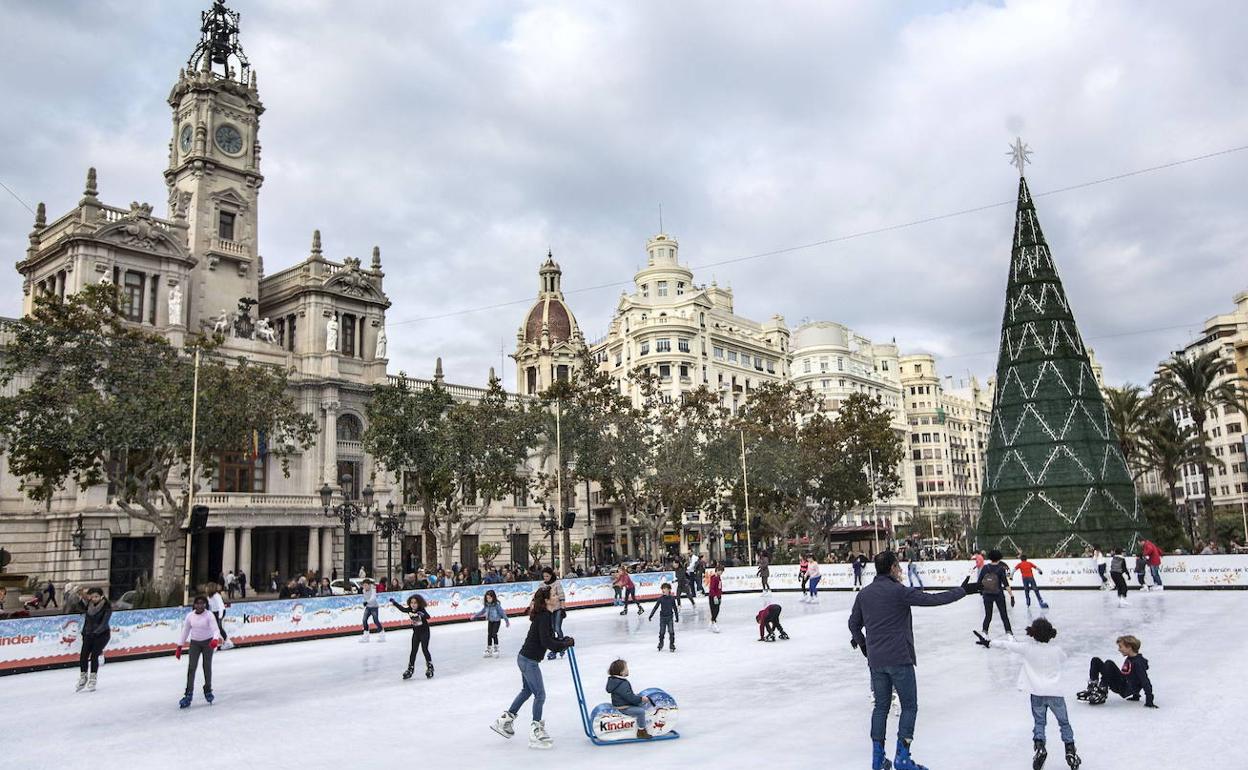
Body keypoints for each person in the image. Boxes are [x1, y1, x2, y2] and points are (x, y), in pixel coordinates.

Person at [848, 550, 978, 770]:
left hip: (876, 661)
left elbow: (853, 624)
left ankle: (877, 759)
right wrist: (963, 591)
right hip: (899, 658)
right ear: (891, 568)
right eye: (898, 566)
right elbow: (933, 599)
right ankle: (902, 757)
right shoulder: (899, 591)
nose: (900, 570)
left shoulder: (864, 594)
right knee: (909, 706)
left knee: (880, 707)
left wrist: (864, 646)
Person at [974, 618, 1081, 769]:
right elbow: (1063, 659)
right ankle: (1070, 750)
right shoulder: (1056, 651)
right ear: (1050, 633)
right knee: (1063, 722)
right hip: (1055, 693)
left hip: (1036, 693)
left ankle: (1040, 747)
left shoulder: (1027, 648)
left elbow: (1007, 645)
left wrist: (989, 643)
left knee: (1039, 723)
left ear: (1033, 633)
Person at [491, 585, 575, 749]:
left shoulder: (546, 615)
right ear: (546, 600)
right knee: (540, 694)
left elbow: (548, 638)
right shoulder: (544, 616)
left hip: (525, 658)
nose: (556, 596)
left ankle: (504, 721)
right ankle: (536, 731)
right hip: (528, 660)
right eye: (553, 595)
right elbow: (547, 642)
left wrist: (563, 641)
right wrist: (563, 644)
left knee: (527, 691)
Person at [1077, 635, 1155, 709]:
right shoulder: (1131, 658)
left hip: (1125, 688)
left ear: (1129, 647)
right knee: (1095, 660)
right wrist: (1136, 696)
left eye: (1121, 647)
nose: (1119, 649)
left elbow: (1144, 680)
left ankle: (1102, 691)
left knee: (1109, 663)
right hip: (1122, 683)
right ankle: (1092, 688)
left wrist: (1149, 700)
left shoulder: (1138, 662)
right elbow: (1132, 676)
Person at [176, 595, 221, 708]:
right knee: (191, 668)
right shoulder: (190, 616)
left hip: (208, 643)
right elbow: (185, 631)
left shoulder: (209, 615)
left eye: (202, 603)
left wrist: (215, 640)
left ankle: (208, 689)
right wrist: (179, 646)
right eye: (198, 603)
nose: (200, 605)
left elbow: (216, 629)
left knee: (207, 666)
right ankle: (188, 694)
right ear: (194, 605)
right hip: (195, 643)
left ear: (205, 604)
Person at [606, 659, 654, 739]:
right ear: (621, 672)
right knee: (641, 711)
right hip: (623, 708)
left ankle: (643, 721)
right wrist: (641, 699)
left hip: (622, 704)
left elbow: (627, 695)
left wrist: (638, 698)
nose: (628, 670)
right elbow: (629, 697)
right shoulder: (622, 683)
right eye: (626, 668)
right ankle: (641, 731)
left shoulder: (614, 681)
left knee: (640, 703)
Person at [75, 587, 111, 692]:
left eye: (96, 596)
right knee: (83, 655)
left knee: (94, 656)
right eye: (92, 596)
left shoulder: (106, 607)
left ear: (101, 596)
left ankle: (93, 678)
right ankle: (83, 676)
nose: (94, 598)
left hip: (101, 635)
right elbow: (78, 607)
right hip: (88, 634)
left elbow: (104, 623)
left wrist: (96, 632)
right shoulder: (88, 605)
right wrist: (80, 596)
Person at [389, 594, 433, 679]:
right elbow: (402, 609)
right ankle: (410, 669)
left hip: (425, 632)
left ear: (419, 603)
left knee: (424, 649)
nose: (413, 604)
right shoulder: (409, 609)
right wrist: (394, 603)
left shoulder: (421, 609)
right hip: (416, 633)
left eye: (415, 603)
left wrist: (422, 614)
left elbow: (428, 617)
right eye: (412, 602)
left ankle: (430, 667)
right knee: (413, 651)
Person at [979, 549, 1014, 636]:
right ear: (999, 558)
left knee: (988, 616)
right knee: (1004, 615)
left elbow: (979, 582)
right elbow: (1006, 584)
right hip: (999, 595)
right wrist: (1011, 595)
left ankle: (984, 634)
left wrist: (982, 592)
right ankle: (1009, 634)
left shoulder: (985, 568)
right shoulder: (1001, 569)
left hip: (987, 595)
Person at [473, 589, 510, 658]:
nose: (488, 599)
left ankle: (496, 648)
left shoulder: (496, 605)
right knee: (489, 635)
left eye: (489, 598)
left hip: (497, 621)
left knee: (494, 634)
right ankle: (489, 649)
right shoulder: (487, 605)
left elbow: (502, 613)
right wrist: (475, 616)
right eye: (487, 598)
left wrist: (507, 621)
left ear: (493, 597)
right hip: (490, 621)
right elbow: (482, 611)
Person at [541, 567, 567, 660]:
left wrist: (563, 608)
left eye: (547, 576)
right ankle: (554, 649)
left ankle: (562, 646)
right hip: (548, 610)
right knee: (551, 630)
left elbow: (562, 596)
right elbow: (539, 597)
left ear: (551, 575)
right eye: (544, 576)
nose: (545, 578)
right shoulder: (542, 585)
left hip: (558, 609)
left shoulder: (557, 583)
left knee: (557, 628)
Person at [648, 582, 680, 652]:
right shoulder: (660, 598)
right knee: (662, 632)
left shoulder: (672, 598)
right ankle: (661, 643)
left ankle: (672, 644)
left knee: (671, 631)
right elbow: (655, 607)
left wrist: (677, 617)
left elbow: (675, 608)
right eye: (663, 589)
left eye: (665, 589)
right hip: (662, 618)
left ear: (669, 590)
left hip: (670, 617)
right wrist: (651, 615)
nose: (664, 590)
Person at [206, 582, 233, 650]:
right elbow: (210, 606)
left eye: (207, 587)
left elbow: (221, 606)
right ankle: (216, 643)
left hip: (220, 612)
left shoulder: (216, 595)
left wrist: (220, 617)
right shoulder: (209, 596)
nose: (206, 588)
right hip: (214, 612)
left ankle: (227, 641)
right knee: (213, 628)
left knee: (218, 627)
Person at [708, 565, 724, 632]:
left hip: (718, 596)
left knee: (717, 610)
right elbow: (711, 588)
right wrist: (714, 596)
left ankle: (712, 622)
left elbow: (719, 587)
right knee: (714, 611)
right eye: (720, 571)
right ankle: (714, 623)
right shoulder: (714, 578)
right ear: (717, 570)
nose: (721, 572)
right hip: (713, 597)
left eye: (722, 571)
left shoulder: (719, 577)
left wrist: (719, 595)